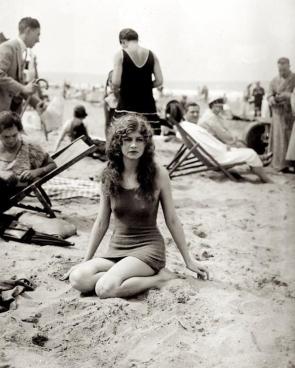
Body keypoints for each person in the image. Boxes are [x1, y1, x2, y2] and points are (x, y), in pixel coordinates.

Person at [64, 114, 209, 299]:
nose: (133, 145)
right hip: (117, 249)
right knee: (78, 279)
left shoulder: (159, 174)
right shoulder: (109, 174)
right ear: (118, 143)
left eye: (139, 140)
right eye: (128, 140)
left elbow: (172, 219)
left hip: (148, 249)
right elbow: (101, 222)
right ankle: (120, 278)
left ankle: (160, 279)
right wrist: (85, 261)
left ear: (146, 143)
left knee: (104, 289)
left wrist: (188, 260)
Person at [194, 98, 272, 182]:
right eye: (219, 107)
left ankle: (259, 158)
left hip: (211, 143)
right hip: (213, 147)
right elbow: (222, 133)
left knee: (238, 143)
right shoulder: (210, 117)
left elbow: (222, 130)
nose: (220, 109)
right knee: (239, 144)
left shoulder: (210, 114)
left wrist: (231, 138)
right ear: (212, 105)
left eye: (221, 107)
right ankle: (259, 158)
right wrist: (233, 139)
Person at [112, 28, 163, 135]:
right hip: (148, 106)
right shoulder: (152, 55)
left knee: (125, 137)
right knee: (147, 139)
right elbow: (159, 81)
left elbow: (116, 83)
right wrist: (144, 86)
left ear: (123, 41)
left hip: (127, 105)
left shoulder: (120, 55)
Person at [0, 111, 56, 209]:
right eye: (6, 137)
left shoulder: (29, 146)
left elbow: (52, 164)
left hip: (10, 192)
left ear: (19, 131)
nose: (11, 140)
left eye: (14, 135)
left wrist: (36, 171)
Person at [0, 17, 46, 115]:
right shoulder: (8, 47)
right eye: (37, 34)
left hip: (10, 114)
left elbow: (16, 84)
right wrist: (23, 88)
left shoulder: (21, 51)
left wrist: (36, 103)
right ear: (28, 31)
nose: (38, 40)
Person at [267, 57, 295, 172]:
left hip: (290, 113)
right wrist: (271, 99)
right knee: (278, 138)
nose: (282, 72)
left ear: (289, 66)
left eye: (284, 70)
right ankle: (279, 163)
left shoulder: (294, 78)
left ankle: (290, 163)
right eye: (280, 70)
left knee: (289, 138)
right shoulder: (274, 80)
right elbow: (269, 94)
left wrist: (288, 96)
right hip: (277, 113)